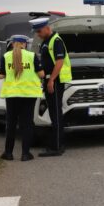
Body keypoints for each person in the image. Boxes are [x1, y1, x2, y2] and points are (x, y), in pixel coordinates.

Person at [0, 35, 44, 162]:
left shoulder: (6, 56)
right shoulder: (31, 56)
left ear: (13, 44)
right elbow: (41, 74)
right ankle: (25, 154)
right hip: (29, 95)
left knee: (11, 124)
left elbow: (0, 76)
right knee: (27, 124)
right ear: (25, 44)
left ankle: (8, 153)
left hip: (12, 94)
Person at [31, 17, 71, 157]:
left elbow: (59, 62)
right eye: (36, 32)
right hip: (50, 80)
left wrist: (51, 80)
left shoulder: (56, 41)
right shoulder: (46, 41)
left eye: (39, 31)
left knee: (56, 113)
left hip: (55, 81)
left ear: (47, 28)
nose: (38, 34)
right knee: (54, 113)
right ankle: (56, 143)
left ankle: (57, 146)